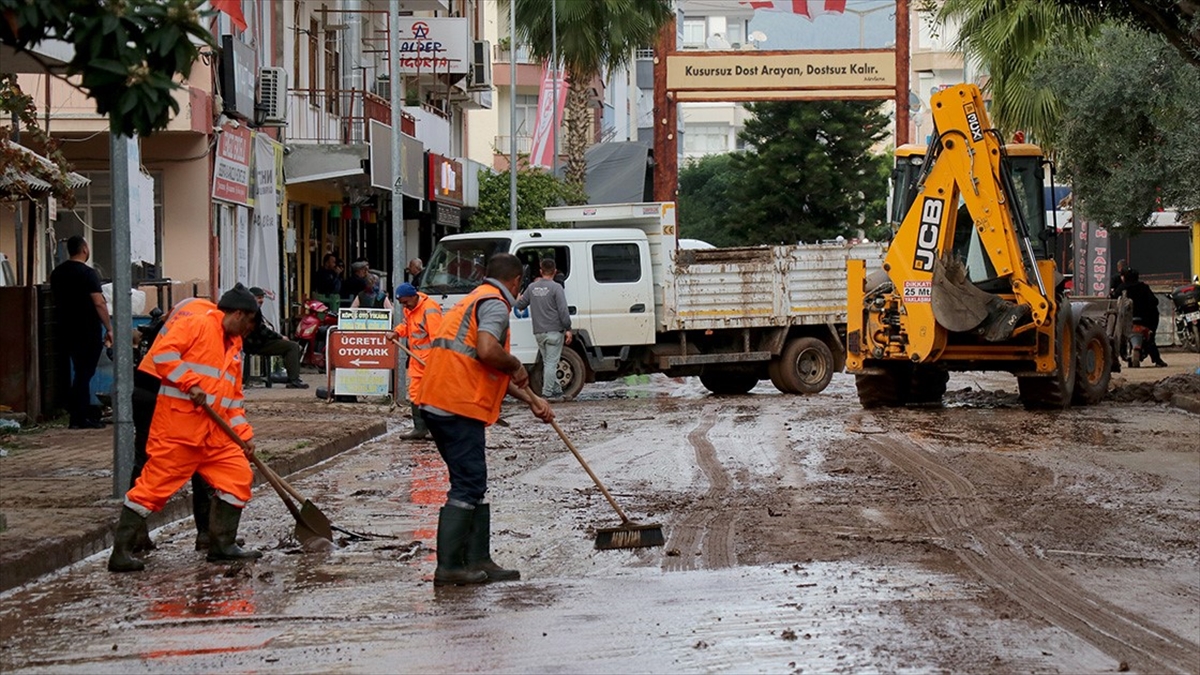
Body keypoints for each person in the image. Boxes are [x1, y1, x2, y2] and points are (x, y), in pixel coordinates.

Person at [418, 253, 554, 586]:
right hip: (457, 405)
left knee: (472, 481)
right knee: (468, 483)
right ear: (516, 282)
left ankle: (479, 560)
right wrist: (515, 364)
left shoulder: (474, 300)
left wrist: (532, 401)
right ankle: (450, 567)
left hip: (442, 401)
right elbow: (488, 352)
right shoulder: (494, 304)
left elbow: (485, 367)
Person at [108, 284, 264, 573]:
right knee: (151, 490)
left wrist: (245, 437)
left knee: (238, 477)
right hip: (180, 433)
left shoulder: (234, 346)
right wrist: (189, 382)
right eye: (249, 325)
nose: (247, 332)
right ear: (240, 314)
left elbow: (233, 400)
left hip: (215, 438)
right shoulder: (198, 323)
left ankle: (222, 546)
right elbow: (163, 354)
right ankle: (121, 553)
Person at [129, 296, 216, 553]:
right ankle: (206, 534)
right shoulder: (209, 323)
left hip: (147, 386)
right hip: (169, 392)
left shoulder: (185, 309)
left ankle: (136, 534)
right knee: (199, 455)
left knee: (145, 459)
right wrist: (192, 384)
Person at [50, 236, 114, 429]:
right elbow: (99, 302)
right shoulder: (88, 273)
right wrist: (109, 328)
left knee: (76, 372)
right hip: (86, 329)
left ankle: (76, 413)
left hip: (63, 328)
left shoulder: (57, 273)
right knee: (84, 373)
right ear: (84, 249)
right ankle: (79, 417)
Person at [514, 258, 573, 401]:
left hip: (539, 332)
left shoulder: (532, 288)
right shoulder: (556, 288)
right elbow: (563, 311)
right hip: (554, 331)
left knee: (548, 363)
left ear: (541, 271)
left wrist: (517, 296)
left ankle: (558, 392)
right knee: (552, 364)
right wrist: (568, 328)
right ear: (555, 271)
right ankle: (547, 394)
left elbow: (520, 305)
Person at [392, 283, 442, 439]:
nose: (404, 306)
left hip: (430, 361)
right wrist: (396, 333)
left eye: (406, 302)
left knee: (433, 395)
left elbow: (437, 338)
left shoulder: (429, 309)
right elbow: (406, 325)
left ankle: (437, 430)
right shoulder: (410, 309)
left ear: (414, 297)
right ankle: (420, 428)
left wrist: (437, 362)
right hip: (416, 360)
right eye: (401, 304)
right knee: (415, 394)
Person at [244, 287, 309, 389]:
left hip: (256, 342)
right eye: (258, 298)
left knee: (291, 346)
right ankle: (294, 380)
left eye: (262, 298)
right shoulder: (252, 311)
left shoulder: (249, 309)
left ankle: (291, 375)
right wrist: (279, 337)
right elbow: (262, 331)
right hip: (256, 344)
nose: (261, 300)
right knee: (292, 346)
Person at [1114, 269, 1168, 367]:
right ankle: (1157, 360)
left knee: (1119, 339)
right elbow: (1154, 301)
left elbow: (1113, 300)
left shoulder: (1121, 288)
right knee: (1151, 339)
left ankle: (1116, 361)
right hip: (1145, 320)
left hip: (1126, 322)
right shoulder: (1144, 287)